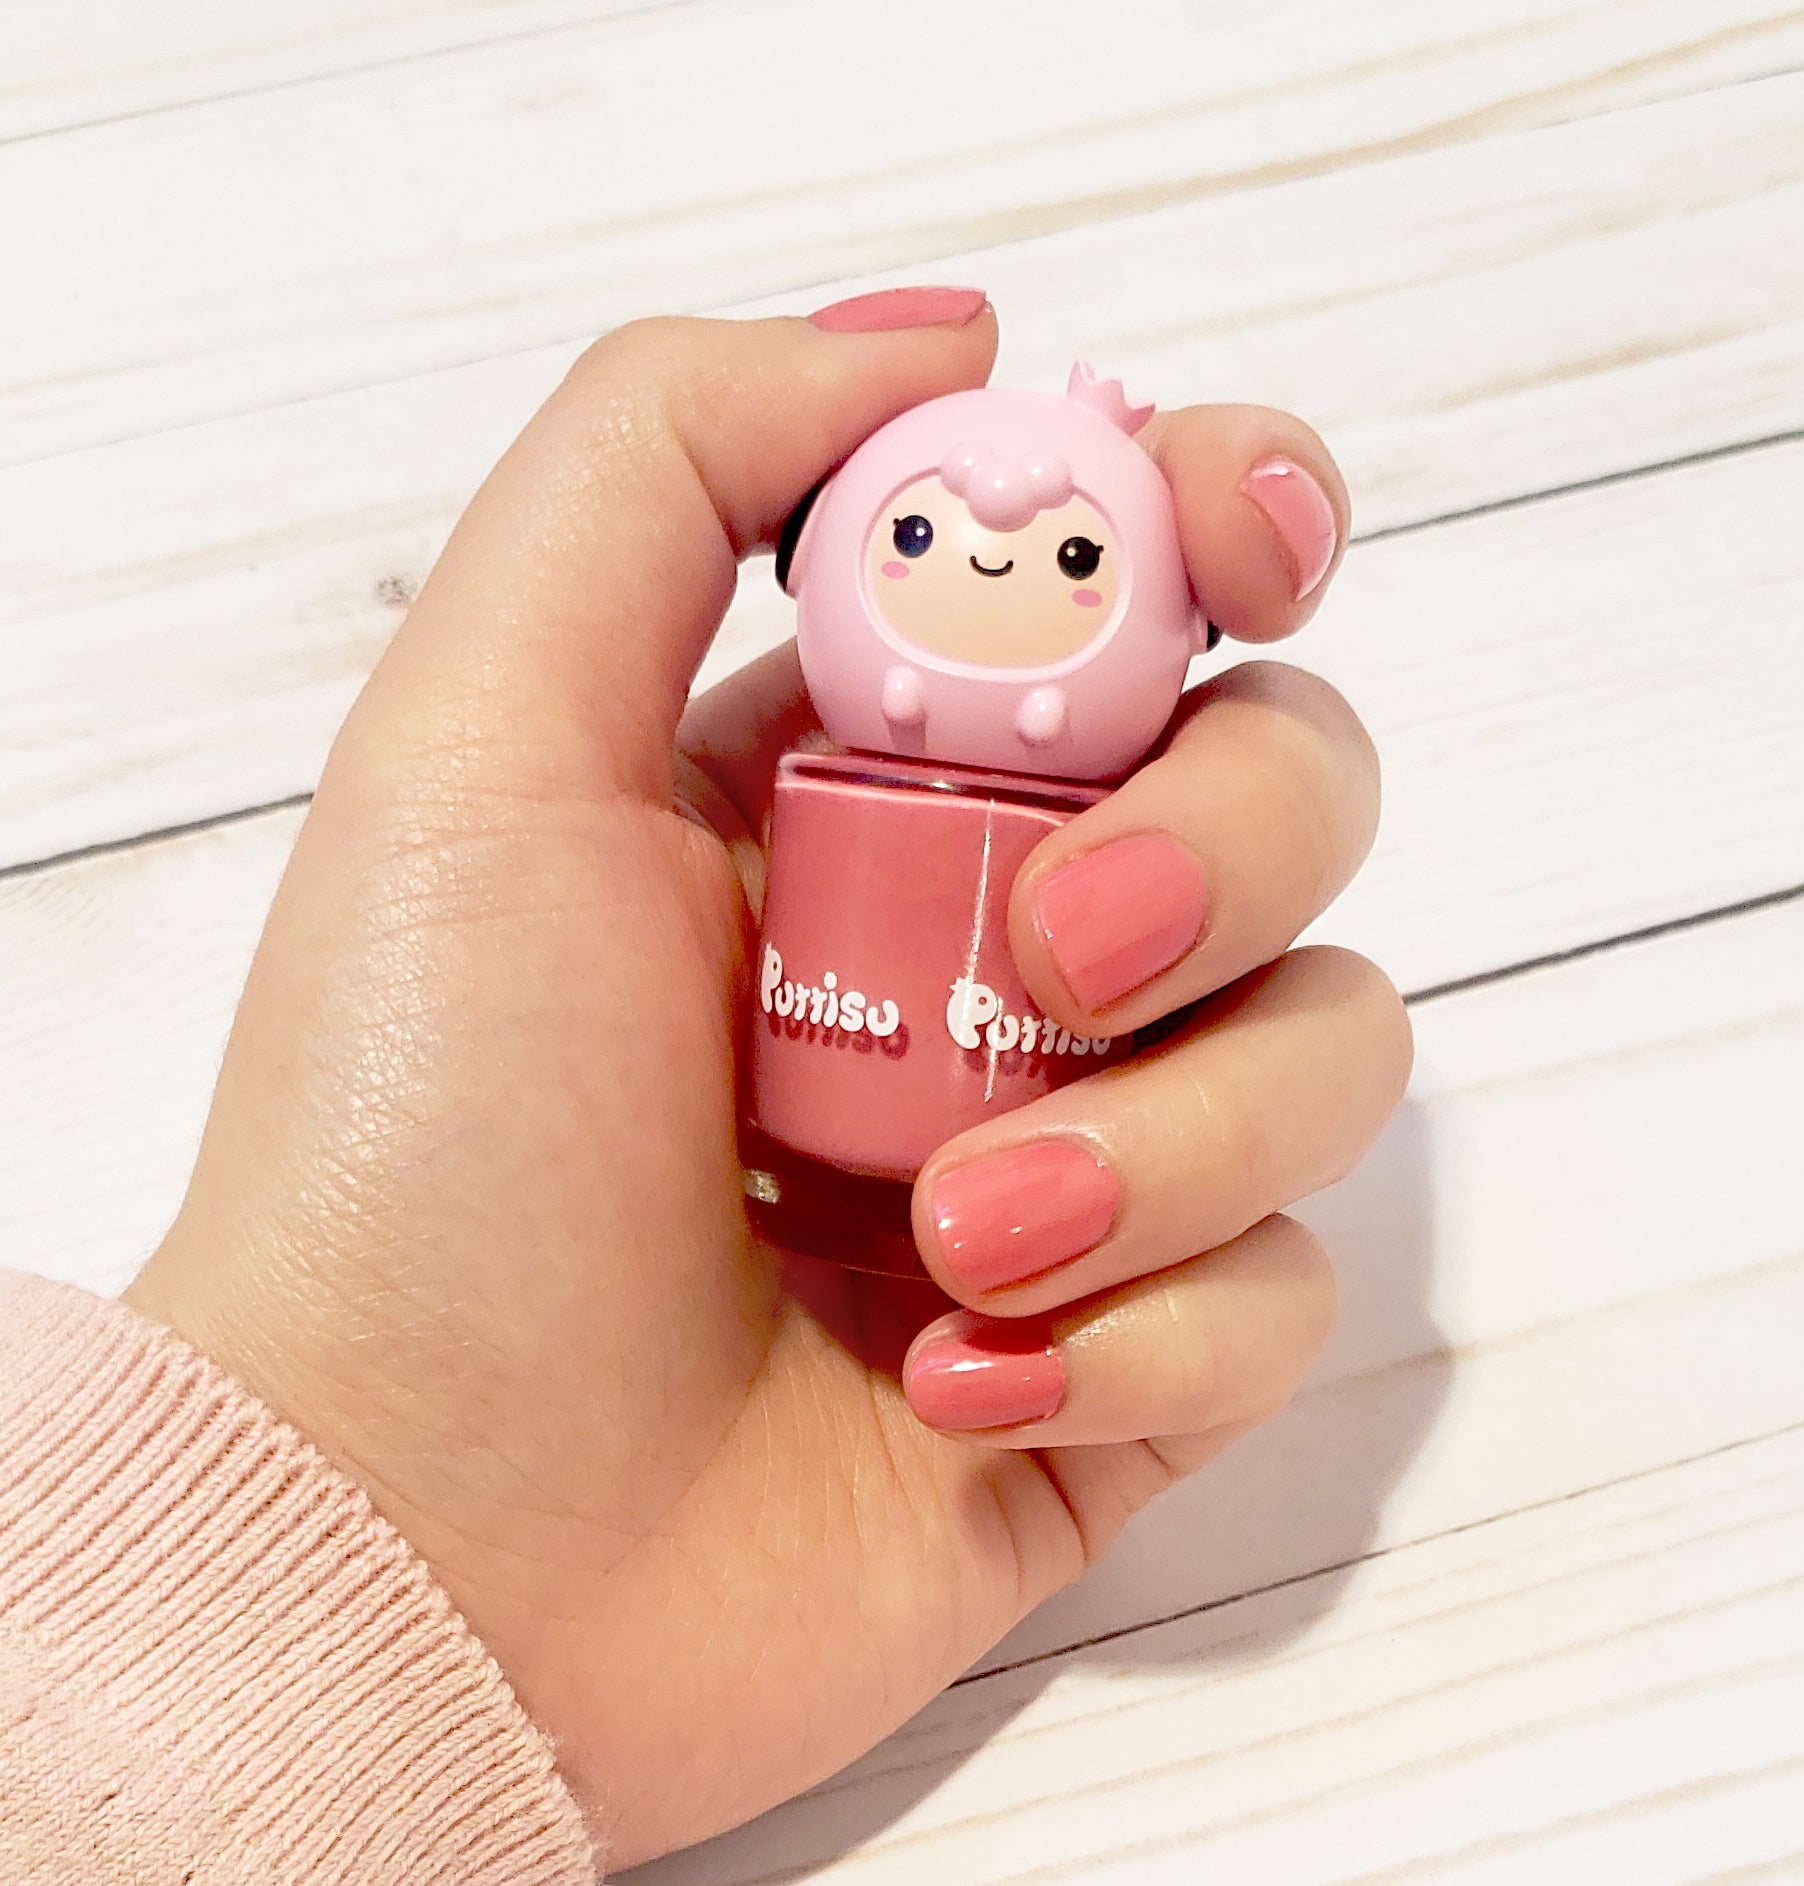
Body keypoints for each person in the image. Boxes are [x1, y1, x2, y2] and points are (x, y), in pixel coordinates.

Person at [0, 288, 1411, 1883]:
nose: (1002, 570)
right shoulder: (797, 790)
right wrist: (374, 1462)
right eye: (927, 543)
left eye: (1080, 562)